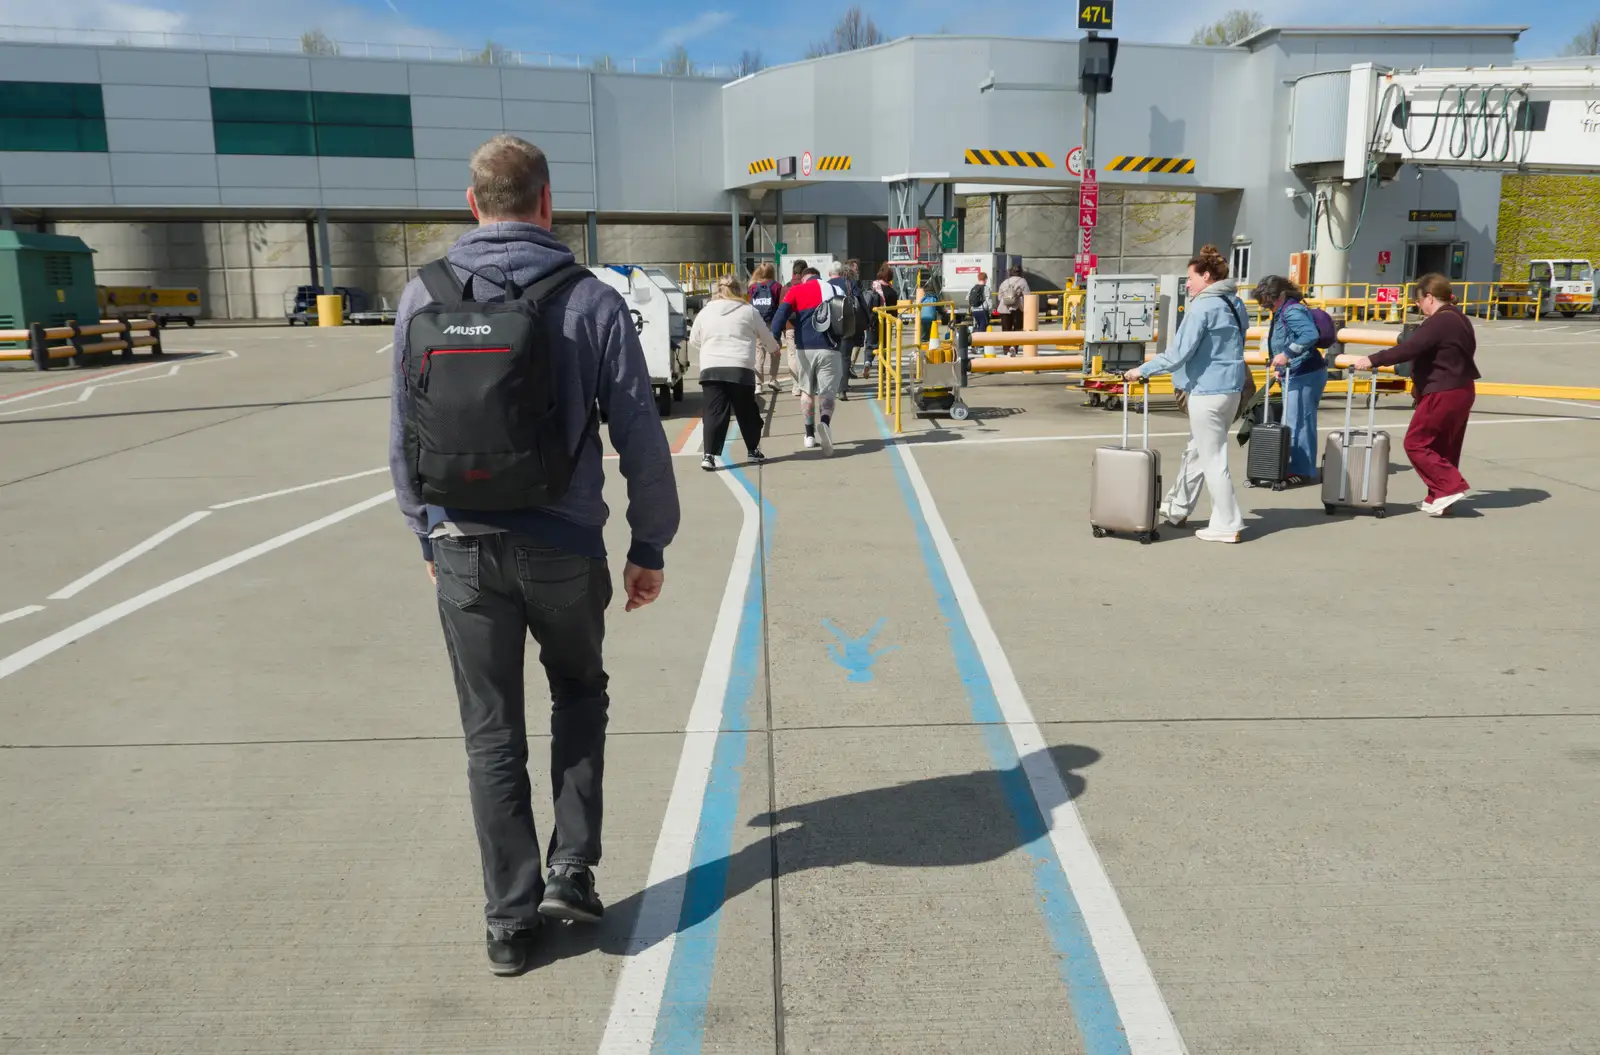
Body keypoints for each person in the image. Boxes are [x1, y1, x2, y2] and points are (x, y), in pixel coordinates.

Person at [387, 134, 681, 976]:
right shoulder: (590, 300)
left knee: (491, 732)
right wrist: (647, 543)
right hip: (563, 546)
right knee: (580, 693)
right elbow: (639, 435)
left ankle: (509, 923)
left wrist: (425, 531)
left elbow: (403, 437)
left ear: (472, 204)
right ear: (547, 203)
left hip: (464, 548)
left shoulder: (422, 296)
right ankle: (572, 868)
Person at [1123, 244, 1250, 544]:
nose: (1188, 283)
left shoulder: (1202, 307)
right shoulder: (1236, 304)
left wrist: (1142, 370)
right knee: (1203, 451)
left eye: (1191, 278)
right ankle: (1188, 511)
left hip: (1206, 390)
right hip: (1232, 388)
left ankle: (1228, 521)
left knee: (1213, 459)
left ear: (1206, 276)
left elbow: (1178, 354)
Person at [1350, 273, 1480, 516]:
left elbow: (1410, 348)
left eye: (1418, 302)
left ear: (1429, 297)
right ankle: (1440, 498)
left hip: (1443, 389)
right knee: (1443, 446)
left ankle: (1450, 486)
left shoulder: (1440, 321)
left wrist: (1372, 359)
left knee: (1416, 442)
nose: (1418, 307)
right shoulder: (1460, 318)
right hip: (1461, 388)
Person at [691, 273, 778, 471]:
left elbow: (694, 339)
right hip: (740, 368)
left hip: (711, 368)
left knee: (714, 412)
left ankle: (709, 455)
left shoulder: (705, 312)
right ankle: (752, 450)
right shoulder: (749, 311)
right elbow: (765, 335)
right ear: (739, 290)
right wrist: (773, 348)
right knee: (746, 411)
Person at [1253, 274, 1327, 486]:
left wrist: (1286, 355)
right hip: (1296, 371)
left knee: (1300, 422)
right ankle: (1296, 466)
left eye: (1270, 301)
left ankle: (1302, 470)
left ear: (1282, 295)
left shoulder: (1292, 310)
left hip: (1305, 373)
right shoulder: (1285, 309)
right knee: (1294, 421)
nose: (1269, 306)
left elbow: (1309, 334)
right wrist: (1282, 366)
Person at [770, 267, 841, 454]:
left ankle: (809, 435)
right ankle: (825, 423)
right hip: (831, 348)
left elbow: (781, 314)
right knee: (827, 393)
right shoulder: (835, 289)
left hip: (804, 348)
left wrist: (774, 338)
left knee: (806, 392)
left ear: (804, 278)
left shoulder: (797, 290)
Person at [746, 262, 784, 391]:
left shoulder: (752, 287)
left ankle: (758, 384)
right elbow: (781, 306)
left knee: (759, 353)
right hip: (773, 323)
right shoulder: (777, 286)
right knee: (775, 351)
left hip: (756, 322)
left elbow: (748, 305)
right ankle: (773, 379)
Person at [996, 266, 1029, 355]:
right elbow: (1028, 296)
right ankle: (1014, 347)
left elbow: (999, 297)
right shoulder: (1023, 281)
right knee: (1017, 328)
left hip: (1003, 308)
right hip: (1017, 308)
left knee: (1006, 329)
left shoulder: (1005, 282)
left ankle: (1006, 349)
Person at [968, 271, 991, 335]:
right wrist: (990, 311)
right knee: (982, 328)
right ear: (986, 279)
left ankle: (976, 341)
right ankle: (980, 344)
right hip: (982, 310)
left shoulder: (973, 288)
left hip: (974, 310)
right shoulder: (986, 288)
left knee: (977, 326)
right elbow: (988, 300)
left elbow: (968, 298)